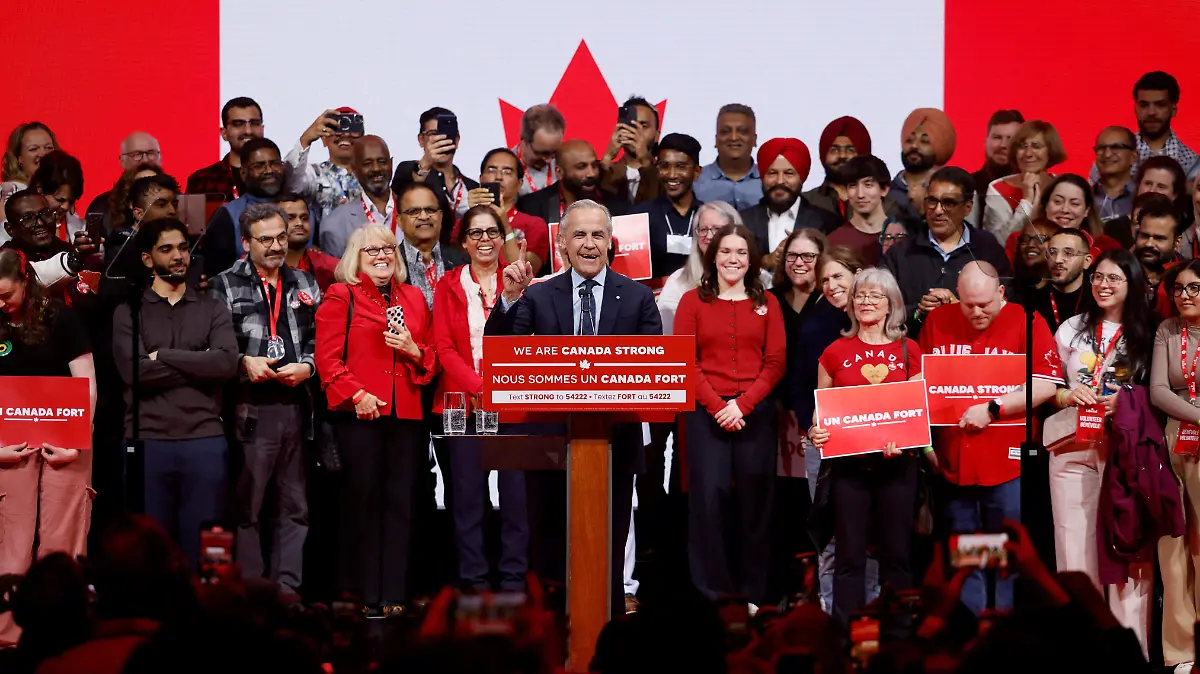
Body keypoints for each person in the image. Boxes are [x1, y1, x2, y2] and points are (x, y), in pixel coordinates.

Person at [486, 199, 662, 616]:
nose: (589, 243)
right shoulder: (537, 295)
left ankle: (607, 634)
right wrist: (509, 298)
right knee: (550, 554)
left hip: (614, 445)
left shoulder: (637, 297)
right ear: (561, 243)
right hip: (549, 446)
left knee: (607, 551)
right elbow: (501, 352)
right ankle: (552, 633)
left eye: (597, 235)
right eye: (579, 234)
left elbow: (654, 369)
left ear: (610, 242)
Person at [919, 261, 1062, 615]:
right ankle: (974, 624)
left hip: (1007, 460)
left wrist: (994, 408)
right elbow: (919, 387)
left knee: (1006, 546)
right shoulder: (938, 322)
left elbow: (1047, 383)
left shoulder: (1027, 321)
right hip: (954, 459)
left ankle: (1004, 623)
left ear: (1001, 293)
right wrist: (925, 444)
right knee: (967, 548)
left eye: (985, 305)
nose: (977, 313)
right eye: (968, 305)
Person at [314, 224, 436, 615]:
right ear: (357, 257)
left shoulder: (413, 297)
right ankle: (364, 595)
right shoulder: (341, 295)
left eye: (387, 250)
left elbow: (431, 357)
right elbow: (327, 360)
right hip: (361, 415)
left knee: (402, 503)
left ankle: (394, 595)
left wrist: (414, 350)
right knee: (362, 504)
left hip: (407, 415)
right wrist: (357, 394)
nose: (382, 256)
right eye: (372, 251)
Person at [112, 218, 238, 568]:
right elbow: (135, 373)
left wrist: (163, 356)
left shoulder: (213, 307)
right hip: (146, 439)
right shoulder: (129, 311)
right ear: (147, 259)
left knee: (205, 550)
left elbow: (226, 364)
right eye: (166, 249)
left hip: (204, 439)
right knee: (147, 554)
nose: (179, 256)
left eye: (183, 247)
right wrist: (199, 362)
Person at [210, 203, 321, 601]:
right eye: (266, 239)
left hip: (297, 406)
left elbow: (320, 340)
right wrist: (244, 362)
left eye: (281, 237)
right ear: (246, 243)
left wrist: (309, 366)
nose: (276, 246)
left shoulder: (304, 281)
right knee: (248, 507)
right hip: (251, 408)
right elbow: (215, 345)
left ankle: (288, 589)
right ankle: (251, 592)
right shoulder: (224, 283)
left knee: (296, 506)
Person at [674, 223, 785, 607]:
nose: (733, 259)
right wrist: (720, 407)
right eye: (725, 252)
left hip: (755, 412)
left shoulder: (768, 303)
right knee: (709, 503)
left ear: (751, 259)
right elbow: (685, 362)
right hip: (706, 414)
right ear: (713, 257)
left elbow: (775, 362)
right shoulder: (691, 302)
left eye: (740, 252)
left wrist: (743, 405)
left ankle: (752, 596)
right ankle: (714, 598)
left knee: (756, 504)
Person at [807, 268, 922, 636]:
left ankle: (899, 636)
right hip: (849, 470)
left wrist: (902, 442)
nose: (866, 302)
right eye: (860, 295)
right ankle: (846, 637)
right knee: (849, 557)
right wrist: (815, 432)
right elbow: (820, 413)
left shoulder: (909, 350)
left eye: (875, 296)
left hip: (897, 468)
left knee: (897, 557)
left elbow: (917, 413)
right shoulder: (834, 352)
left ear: (891, 305)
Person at [1053, 249, 1156, 656]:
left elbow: (1162, 390)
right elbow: (1048, 386)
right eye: (1097, 276)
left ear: (1132, 283)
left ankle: (1131, 652)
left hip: (1126, 450)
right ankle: (1081, 651)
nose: (1102, 285)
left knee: (1129, 547)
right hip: (1072, 446)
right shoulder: (1071, 329)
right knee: (1073, 549)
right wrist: (1066, 395)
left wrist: (1128, 400)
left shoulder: (1150, 332)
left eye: (1114, 278)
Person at [0, 247, 96, 646]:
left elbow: (86, 383)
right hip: (8, 443)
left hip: (67, 440)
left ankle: (62, 635)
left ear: (26, 282)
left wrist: (76, 440)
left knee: (63, 539)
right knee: (11, 541)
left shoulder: (61, 318)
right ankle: (8, 637)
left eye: (5, 294)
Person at [432, 205, 529, 591]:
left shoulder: (522, 282)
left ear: (503, 237)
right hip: (462, 405)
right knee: (467, 498)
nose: (485, 240)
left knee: (517, 498)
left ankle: (514, 579)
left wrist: (500, 390)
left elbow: (529, 342)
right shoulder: (448, 284)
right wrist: (480, 387)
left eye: (492, 232)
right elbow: (443, 348)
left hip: (514, 407)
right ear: (464, 242)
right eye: (476, 233)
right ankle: (474, 580)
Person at [793, 246, 869, 613]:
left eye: (838, 275)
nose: (831, 285)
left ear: (859, 274)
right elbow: (799, 386)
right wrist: (810, 427)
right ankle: (830, 610)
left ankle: (871, 608)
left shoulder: (885, 324)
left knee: (872, 531)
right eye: (824, 280)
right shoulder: (814, 326)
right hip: (825, 443)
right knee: (829, 531)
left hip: (874, 443)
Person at [883, 166, 1011, 337]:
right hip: (914, 346)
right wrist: (917, 312)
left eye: (948, 203)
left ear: (967, 207)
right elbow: (881, 307)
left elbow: (1008, 305)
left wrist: (962, 309)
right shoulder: (901, 253)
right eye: (932, 201)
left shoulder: (987, 249)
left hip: (972, 347)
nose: (938, 210)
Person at [1151, 257, 1200, 672]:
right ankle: (1181, 650)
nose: (1184, 296)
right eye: (1178, 289)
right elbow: (1158, 390)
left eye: (1194, 288)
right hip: (1174, 437)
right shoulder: (1168, 329)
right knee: (1174, 544)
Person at [200, 137, 299, 277]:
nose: (269, 170)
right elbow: (217, 273)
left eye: (275, 163)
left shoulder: (302, 209)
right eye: (259, 165)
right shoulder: (227, 215)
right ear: (243, 173)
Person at [741, 137, 839, 273]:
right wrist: (765, 261)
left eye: (789, 173)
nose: (780, 181)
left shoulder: (827, 222)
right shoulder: (742, 220)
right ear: (762, 177)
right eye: (772, 173)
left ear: (801, 177)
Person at [516, 139, 630, 241]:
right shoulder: (532, 207)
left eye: (594, 165)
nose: (591, 173)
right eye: (581, 167)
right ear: (559, 172)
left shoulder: (616, 205)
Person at [459, 148, 550, 274]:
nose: (498, 177)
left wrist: (505, 227)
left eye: (507, 172)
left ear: (519, 184)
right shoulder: (464, 222)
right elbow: (456, 262)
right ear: (481, 179)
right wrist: (473, 215)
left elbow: (524, 274)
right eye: (492, 170)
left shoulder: (534, 225)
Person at [628, 133, 704, 282]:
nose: (672, 174)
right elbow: (629, 275)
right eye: (664, 166)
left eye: (680, 167)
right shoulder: (639, 217)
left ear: (696, 172)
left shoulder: (710, 217)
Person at [983, 120, 1067, 243]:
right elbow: (998, 243)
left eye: (1036, 146)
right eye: (1022, 147)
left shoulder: (1064, 187)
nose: (1028, 153)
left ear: (1050, 150)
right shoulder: (998, 189)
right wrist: (1026, 202)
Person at [394, 107, 479, 224]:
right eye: (433, 134)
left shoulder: (472, 186)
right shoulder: (407, 171)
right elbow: (402, 192)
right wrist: (426, 162)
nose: (441, 140)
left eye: (447, 134)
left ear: (457, 140)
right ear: (421, 140)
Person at [318, 135, 396, 259]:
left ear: (391, 164)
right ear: (354, 168)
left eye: (382, 162)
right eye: (367, 164)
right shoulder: (335, 224)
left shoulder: (413, 209)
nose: (376, 168)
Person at [394, 182, 468, 309]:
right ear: (399, 221)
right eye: (414, 211)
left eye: (430, 210)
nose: (424, 216)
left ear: (440, 216)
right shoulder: (391, 265)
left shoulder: (462, 262)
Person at [285, 107, 364, 221]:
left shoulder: (370, 175)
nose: (345, 134)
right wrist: (305, 139)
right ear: (324, 139)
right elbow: (291, 183)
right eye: (337, 128)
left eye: (352, 128)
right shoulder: (315, 174)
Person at [186, 96, 265, 202]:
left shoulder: (280, 176)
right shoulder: (201, 180)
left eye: (254, 123)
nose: (248, 131)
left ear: (262, 129)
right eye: (238, 124)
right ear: (224, 133)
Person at [0, 151, 85, 245]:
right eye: (60, 200)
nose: (66, 207)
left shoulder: (79, 226)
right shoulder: (16, 225)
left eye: (71, 201)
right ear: (39, 188)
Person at [827, 154, 896, 267]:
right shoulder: (834, 242)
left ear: (884, 189)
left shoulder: (902, 237)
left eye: (868, 185)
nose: (860, 194)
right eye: (853, 186)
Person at [802, 116, 875, 222]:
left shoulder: (886, 202)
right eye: (834, 150)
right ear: (823, 155)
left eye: (850, 150)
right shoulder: (805, 203)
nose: (842, 155)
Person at [892, 108, 957, 223]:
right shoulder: (885, 190)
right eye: (909, 140)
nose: (914, 146)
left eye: (925, 141)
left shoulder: (956, 191)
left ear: (940, 146)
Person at [1110, 156, 1189, 251]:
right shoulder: (1115, 228)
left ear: (1175, 195)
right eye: (1148, 183)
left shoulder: (1185, 229)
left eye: (1161, 186)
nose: (1152, 190)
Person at [693, 104, 761, 210]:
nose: (733, 137)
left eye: (742, 131)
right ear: (716, 140)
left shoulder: (770, 180)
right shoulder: (696, 181)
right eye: (725, 131)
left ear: (754, 139)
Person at [1026, 228, 1094, 334]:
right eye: (1052, 252)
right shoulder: (1030, 302)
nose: (1057, 260)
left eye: (1068, 253)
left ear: (1087, 261)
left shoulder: (1097, 301)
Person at [600, 95, 661, 203]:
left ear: (657, 136)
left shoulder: (666, 173)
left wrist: (645, 161)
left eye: (643, 126)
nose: (636, 132)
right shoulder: (606, 171)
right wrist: (607, 157)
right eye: (630, 126)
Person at [1132, 193, 1184, 318]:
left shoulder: (1189, 276)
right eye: (1144, 236)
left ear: (1177, 242)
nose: (1149, 244)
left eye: (1159, 238)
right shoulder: (1119, 269)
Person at [279, 192, 337, 292]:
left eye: (304, 218)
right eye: (290, 218)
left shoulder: (330, 268)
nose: (299, 223)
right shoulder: (260, 266)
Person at [512, 103, 566, 196]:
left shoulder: (566, 165)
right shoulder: (504, 171)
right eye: (542, 153)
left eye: (554, 152)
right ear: (523, 139)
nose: (549, 160)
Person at [972, 110, 1024, 203]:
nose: (1003, 145)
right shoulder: (967, 186)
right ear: (985, 142)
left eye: (1011, 139)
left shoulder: (1038, 188)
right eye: (997, 137)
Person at [1092, 126, 1138, 222]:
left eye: (1116, 147)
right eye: (1101, 148)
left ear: (1133, 157)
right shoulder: (1084, 197)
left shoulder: (1142, 196)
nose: (1107, 154)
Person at [1, 121, 57, 199]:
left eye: (49, 148)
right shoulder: (10, 191)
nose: (43, 153)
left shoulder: (61, 191)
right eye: (33, 149)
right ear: (18, 158)